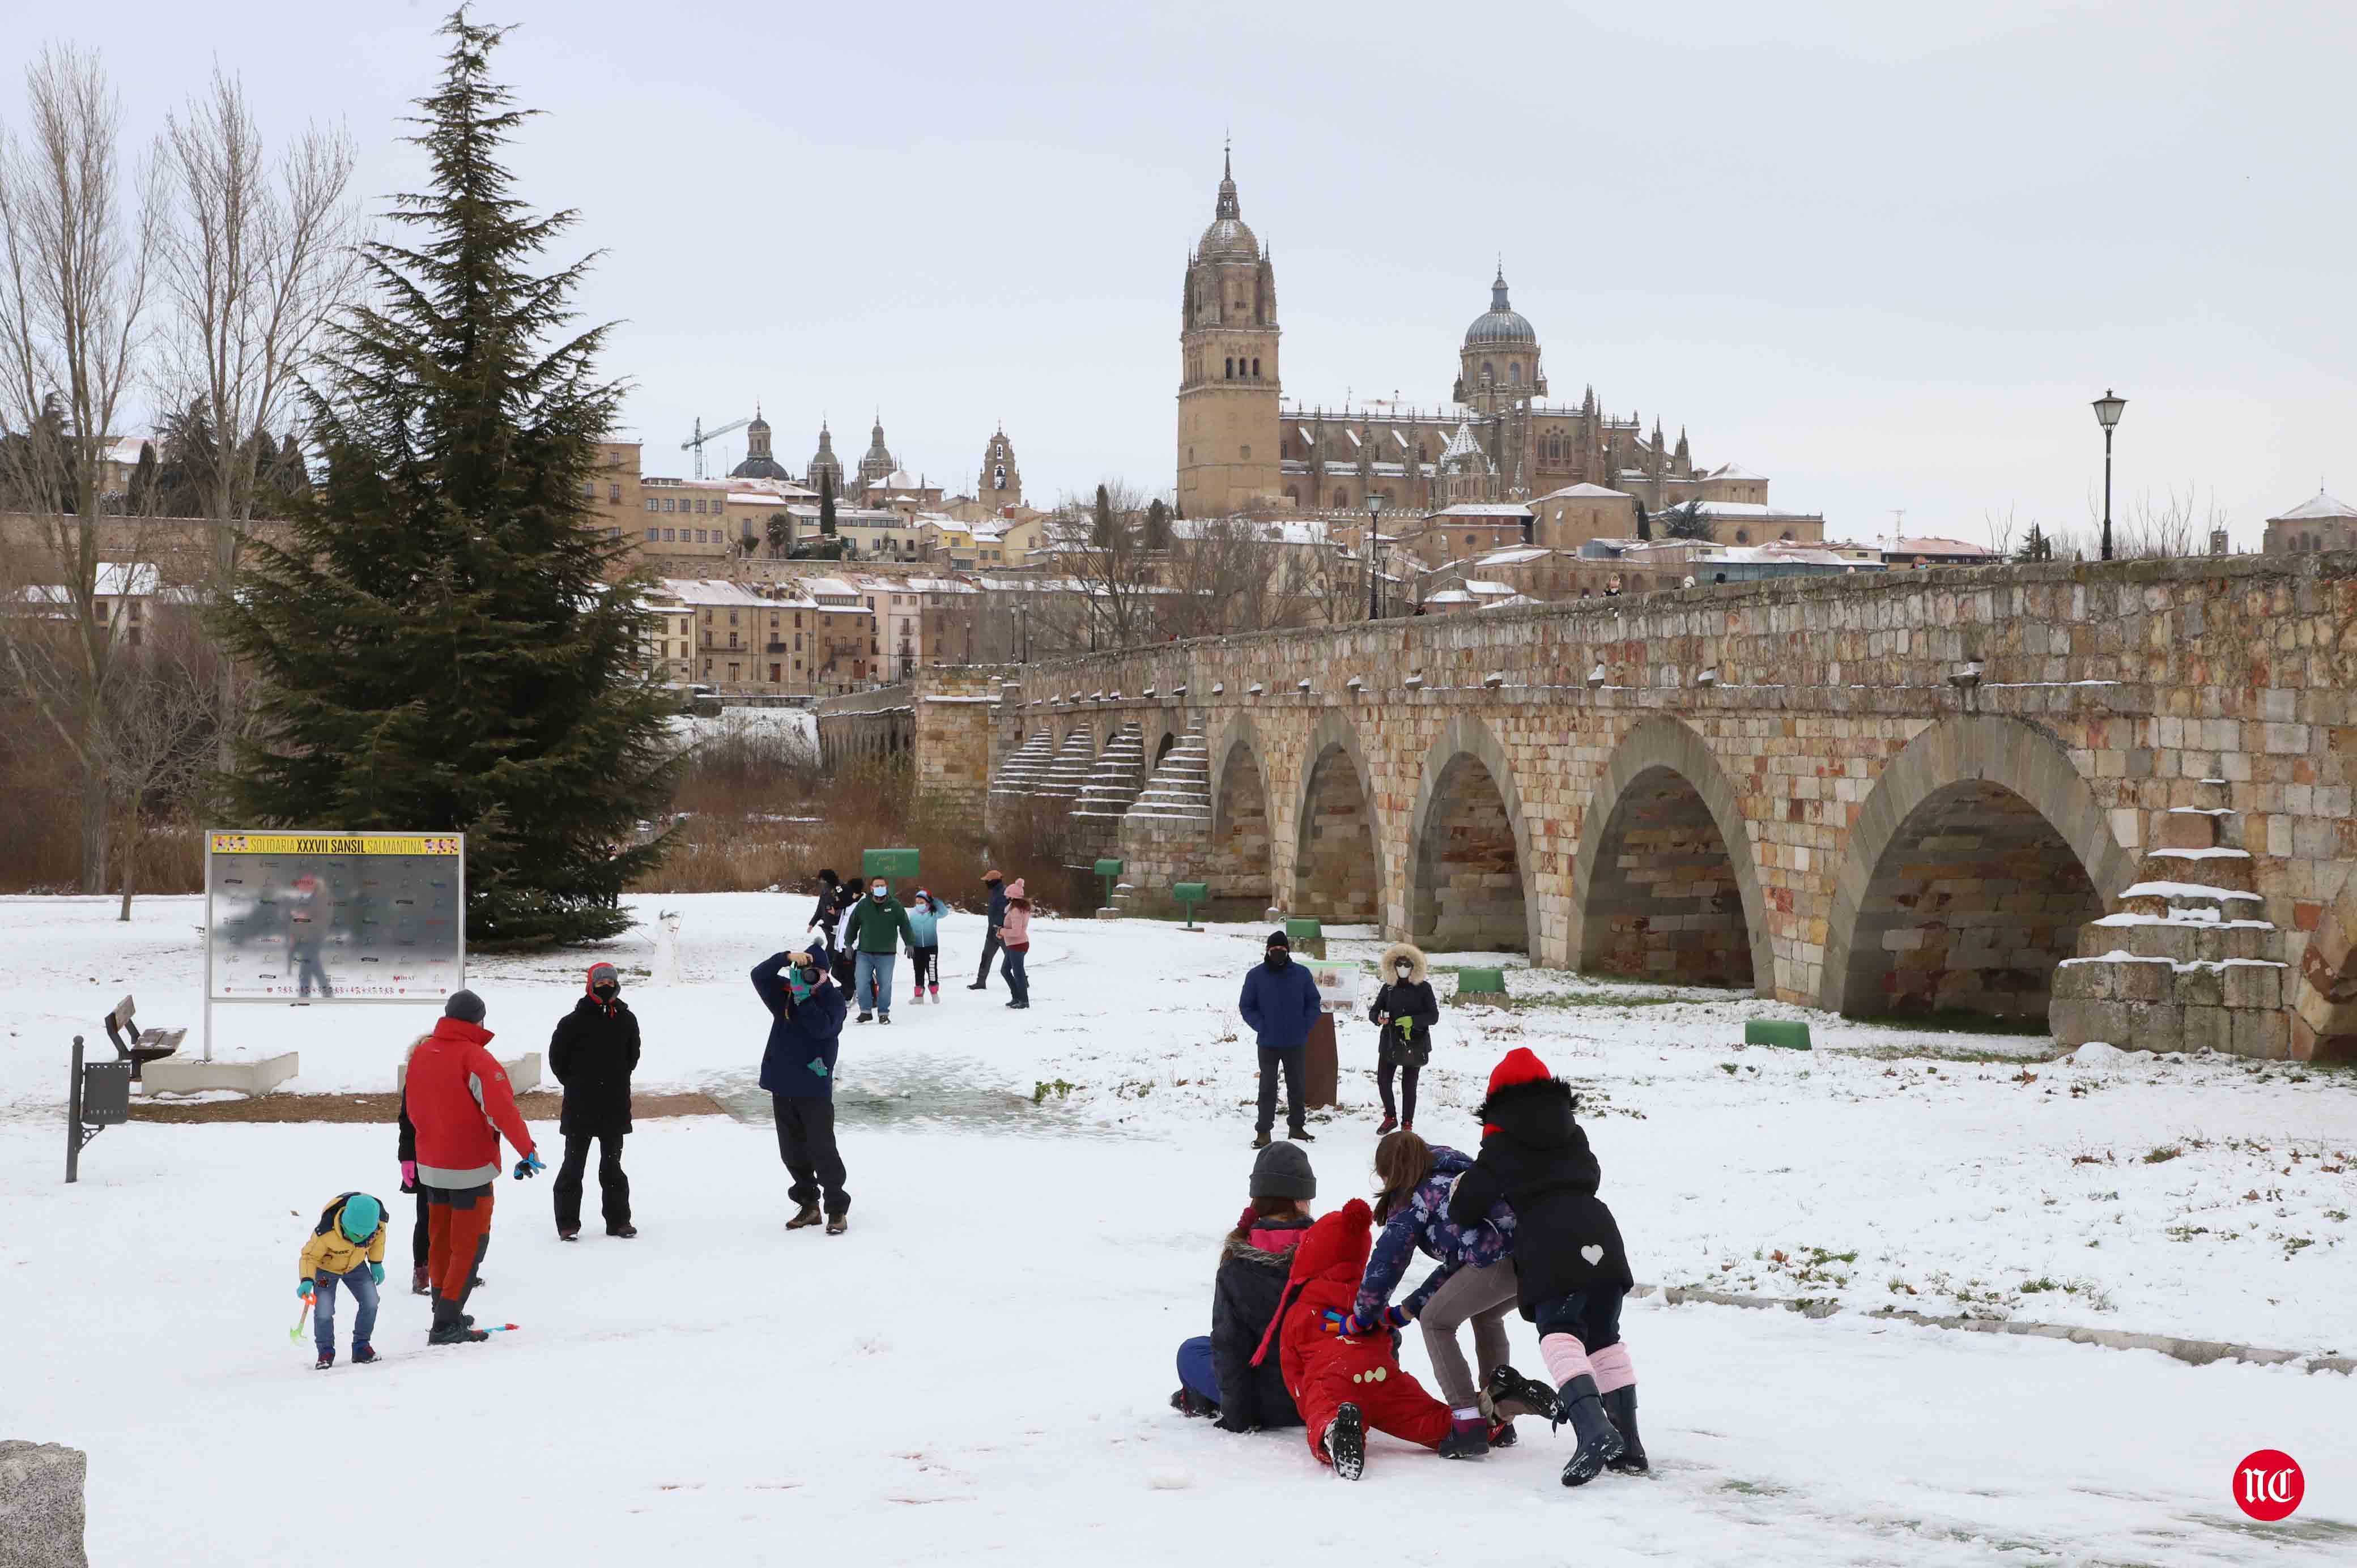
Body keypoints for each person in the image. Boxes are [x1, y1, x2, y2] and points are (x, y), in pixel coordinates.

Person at [1448, 1047, 1645, 1486]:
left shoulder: (1500, 1144)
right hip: (1600, 1230)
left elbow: (1465, 1207)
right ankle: (1629, 1445)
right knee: (1604, 1336)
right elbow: (1591, 1175)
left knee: (1559, 1333)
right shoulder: (1572, 1130)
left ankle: (1594, 1431)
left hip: (1551, 1238)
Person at [1247, 1198, 1453, 1481]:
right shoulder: (1371, 1300)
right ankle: (1482, 1418)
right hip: (1382, 1377)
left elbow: (1292, 1366)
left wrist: (1307, 1404)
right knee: (1423, 1416)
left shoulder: (1303, 1309)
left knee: (1325, 1407)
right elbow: (1389, 1338)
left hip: (1334, 1378)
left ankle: (1336, 1432)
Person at [1347, 1130, 1521, 1459]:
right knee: (1486, 1316)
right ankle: (1498, 1414)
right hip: (1529, 1260)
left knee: (1436, 1322)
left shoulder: (1416, 1196)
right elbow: (1458, 1264)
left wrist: (1362, 1316)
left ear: (1389, 1172)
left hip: (1494, 1262)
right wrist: (1407, 1309)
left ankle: (1467, 1423)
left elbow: (1387, 1262)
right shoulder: (1452, 1175)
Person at [405, 989, 542, 1346]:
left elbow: (412, 1109)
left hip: (432, 1166)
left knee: (440, 1240)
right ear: (480, 1020)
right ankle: (447, 1323)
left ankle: (443, 1309)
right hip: (470, 1168)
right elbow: (502, 1111)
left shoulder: (422, 1053)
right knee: (469, 1245)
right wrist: (527, 1149)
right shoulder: (477, 1059)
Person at [1170, 1141, 1317, 1431]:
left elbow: (1230, 1347)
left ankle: (1199, 1399)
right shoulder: (1333, 1251)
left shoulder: (1236, 1264)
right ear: (1302, 1201)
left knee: (1192, 1351)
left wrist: (1238, 1417)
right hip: (1320, 1395)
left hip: (1263, 1404)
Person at [751, 946, 852, 1234]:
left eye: (813, 972)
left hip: (813, 1087)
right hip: (783, 1084)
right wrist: (784, 958)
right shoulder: (786, 994)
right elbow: (758, 975)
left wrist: (805, 1000)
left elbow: (822, 1029)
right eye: (802, 971)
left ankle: (836, 1210)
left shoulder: (833, 1000)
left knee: (823, 1150)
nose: (807, 977)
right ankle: (809, 1206)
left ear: (824, 974)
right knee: (792, 1152)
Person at [549, 961, 641, 1241]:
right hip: (580, 1108)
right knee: (573, 1167)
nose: (606, 987)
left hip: (614, 1107)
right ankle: (568, 1224)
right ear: (590, 986)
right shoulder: (571, 1022)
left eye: (610, 983)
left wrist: (615, 1080)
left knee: (612, 1168)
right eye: (601, 983)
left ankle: (619, 1221)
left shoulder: (626, 1019)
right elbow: (558, 1061)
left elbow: (632, 1057)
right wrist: (577, 1083)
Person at [1238, 930, 1320, 1149]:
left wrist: (1305, 1025)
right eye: (1274, 949)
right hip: (1268, 1042)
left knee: (1297, 1086)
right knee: (1267, 1088)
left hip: (1295, 1041)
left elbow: (1313, 1003)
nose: (1278, 952)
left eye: (1282, 949)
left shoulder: (1301, 974)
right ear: (1267, 951)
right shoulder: (1255, 976)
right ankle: (1263, 1131)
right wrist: (1261, 1026)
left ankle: (1297, 1127)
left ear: (1288, 951)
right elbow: (1247, 1006)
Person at [297, 1191, 387, 1369]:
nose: (361, 1238)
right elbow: (309, 1257)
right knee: (324, 1310)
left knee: (371, 1301)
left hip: (356, 1266)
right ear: (345, 1224)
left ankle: (362, 1346)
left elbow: (379, 1241)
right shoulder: (326, 1232)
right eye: (357, 1234)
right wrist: (307, 1279)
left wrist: (376, 1263)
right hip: (326, 1270)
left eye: (365, 1235)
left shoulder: (378, 1224)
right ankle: (325, 1352)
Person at [1367, 942, 1439, 1134]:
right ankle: (1390, 1117)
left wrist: (1414, 1021)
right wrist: (1378, 1018)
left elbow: (1434, 1016)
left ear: (1415, 966)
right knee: (1383, 1080)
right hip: (1390, 1041)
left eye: (1407, 965)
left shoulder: (1424, 988)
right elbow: (1374, 1011)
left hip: (1415, 1041)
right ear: (1392, 966)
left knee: (1409, 1085)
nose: (1403, 968)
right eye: (1399, 964)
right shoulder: (1389, 988)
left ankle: (1407, 1123)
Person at [843, 876, 914, 1025]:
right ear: (871, 888)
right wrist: (848, 944)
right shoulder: (863, 905)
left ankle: (883, 1013)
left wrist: (909, 943)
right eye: (877, 886)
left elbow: (905, 925)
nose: (880, 888)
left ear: (886, 887)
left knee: (885, 984)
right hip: (865, 953)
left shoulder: (895, 906)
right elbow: (852, 925)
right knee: (861, 982)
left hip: (887, 954)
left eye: (882, 885)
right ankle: (865, 1012)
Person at [968, 870, 1007, 991]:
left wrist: (1000, 927)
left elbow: (1005, 912)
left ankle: (1023, 981)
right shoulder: (995, 893)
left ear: (994, 881)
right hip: (992, 932)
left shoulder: (1005, 893)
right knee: (986, 956)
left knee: (1012, 958)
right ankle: (981, 982)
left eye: (987, 881)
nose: (986, 883)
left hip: (1003, 933)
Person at [904, 889, 944, 1005]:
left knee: (931, 969)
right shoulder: (912, 913)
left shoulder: (933, 912)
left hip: (931, 946)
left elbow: (945, 912)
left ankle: (934, 993)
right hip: (916, 947)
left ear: (927, 902)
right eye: (917, 902)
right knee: (918, 970)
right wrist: (909, 942)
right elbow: (908, 929)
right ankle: (919, 996)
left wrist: (934, 901)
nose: (919, 904)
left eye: (922, 902)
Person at [998, 877, 1032, 1009]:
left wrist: (1002, 931)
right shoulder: (1019, 908)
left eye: (1008, 896)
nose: (1006, 898)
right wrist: (1002, 931)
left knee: (1018, 974)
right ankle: (1017, 997)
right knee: (1005, 970)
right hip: (1016, 944)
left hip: (1018, 945)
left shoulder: (1016, 910)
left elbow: (1017, 932)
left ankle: (1024, 1001)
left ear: (1012, 896)